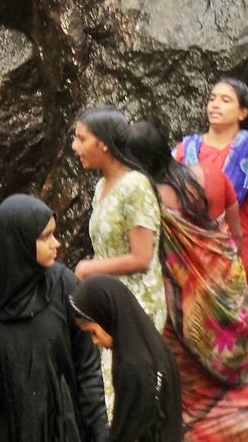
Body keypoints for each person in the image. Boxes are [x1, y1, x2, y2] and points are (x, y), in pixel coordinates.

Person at [128, 119, 248, 440]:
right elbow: (233, 237)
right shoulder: (209, 175)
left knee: (194, 393)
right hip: (225, 289)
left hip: (179, 312)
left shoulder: (143, 204)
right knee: (247, 371)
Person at [0, 194, 108, 442]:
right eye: (45, 237)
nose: (57, 243)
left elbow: (87, 367)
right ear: (17, 241)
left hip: (58, 427)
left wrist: (100, 433)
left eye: (54, 233)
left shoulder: (63, 284)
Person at [72, 107, 166, 412]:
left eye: (80, 138)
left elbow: (142, 256)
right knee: (112, 391)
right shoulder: (101, 185)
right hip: (109, 303)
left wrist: (90, 267)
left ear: (103, 143)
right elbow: (106, 246)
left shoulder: (135, 186)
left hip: (138, 303)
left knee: (129, 395)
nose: (75, 147)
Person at [175, 78, 248, 343]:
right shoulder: (187, 149)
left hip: (245, 254)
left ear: (243, 112)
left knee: (247, 336)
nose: (215, 104)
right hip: (198, 253)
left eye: (225, 100)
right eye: (212, 98)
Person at [71, 275, 183, 442]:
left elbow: (128, 432)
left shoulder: (134, 367)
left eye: (93, 332)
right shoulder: (149, 345)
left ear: (106, 315)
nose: (95, 341)